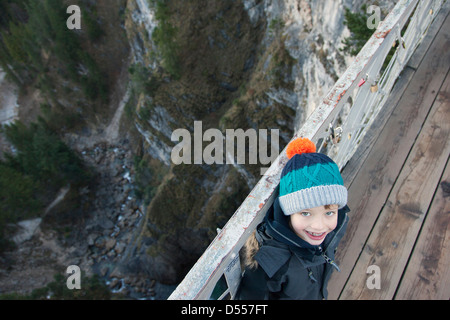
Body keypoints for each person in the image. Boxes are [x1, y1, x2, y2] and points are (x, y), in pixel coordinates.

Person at [236, 137, 350, 300]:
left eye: (329, 212)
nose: (319, 226)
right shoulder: (271, 263)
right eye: (305, 213)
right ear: (288, 212)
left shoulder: (339, 223)